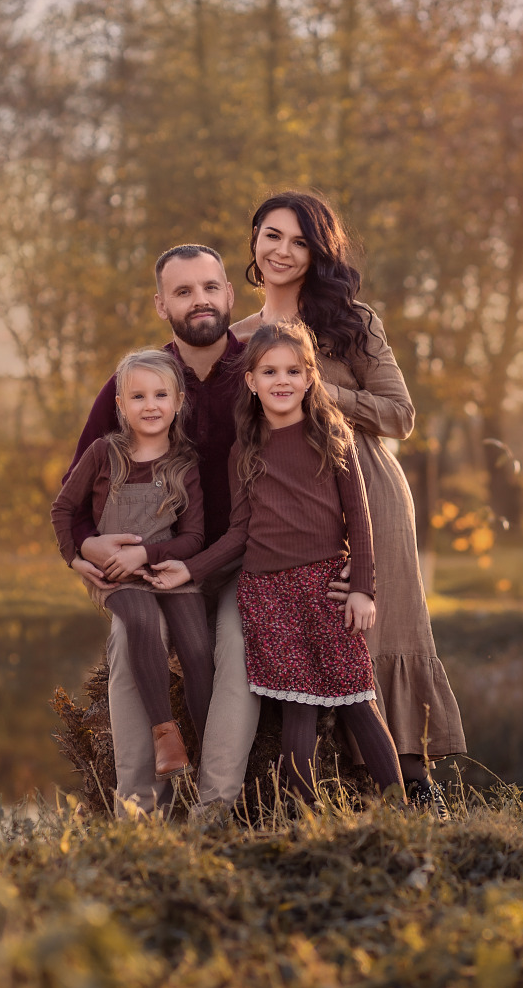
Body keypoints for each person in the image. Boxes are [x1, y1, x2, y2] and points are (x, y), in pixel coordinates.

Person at [229, 191, 465, 814]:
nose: (283, 251)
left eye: (300, 241)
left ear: (317, 252)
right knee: (316, 648)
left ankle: (415, 792)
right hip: (285, 512)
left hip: (365, 489)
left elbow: (400, 415)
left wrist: (321, 389)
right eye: (272, 235)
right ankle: (308, 801)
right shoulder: (238, 341)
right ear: (253, 240)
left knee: (380, 630)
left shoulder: (351, 321)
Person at [149, 320, 404, 805]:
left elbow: (360, 520)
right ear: (251, 381)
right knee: (298, 712)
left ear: (310, 378)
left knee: (358, 703)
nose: (281, 380)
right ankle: (299, 822)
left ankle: (406, 815)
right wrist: (191, 569)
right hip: (268, 595)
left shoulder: (332, 435)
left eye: (293, 370)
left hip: (326, 586)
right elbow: (240, 532)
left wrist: (363, 589)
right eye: (269, 371)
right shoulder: (245, 448)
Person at [65, 245, 258, 815]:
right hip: (153, 565)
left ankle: (214, 807)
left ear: (228, 295)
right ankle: (140, 810)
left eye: (209, 287)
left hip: (241, 561)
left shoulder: (258, 372)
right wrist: (83, 548)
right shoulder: (134, 382)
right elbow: (77, 490)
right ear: (161, 304)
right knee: (130, 642)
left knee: (239, 647)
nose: (199, 300)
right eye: (182, 291)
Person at [51, 349, 213, 782]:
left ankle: (210, 751)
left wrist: (148, 554)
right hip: (118, 576)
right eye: (138, 397)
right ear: (120, 405)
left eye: (161, 395)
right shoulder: (104, 454)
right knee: (141, 621)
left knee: (198, 649)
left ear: (178, 401)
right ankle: (166, 736)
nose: (151, 405)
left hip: (168, 570)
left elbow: (194, 538)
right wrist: (75, 557)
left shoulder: (184, 464)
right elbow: (63, 509)